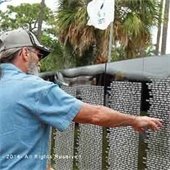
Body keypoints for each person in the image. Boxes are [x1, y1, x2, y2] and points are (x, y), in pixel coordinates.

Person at [0, 28, 163, 170]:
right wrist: (135, 120)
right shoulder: (33, 87)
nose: (40, 61)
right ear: (25, 53)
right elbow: (95, 115)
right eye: (39, 54)